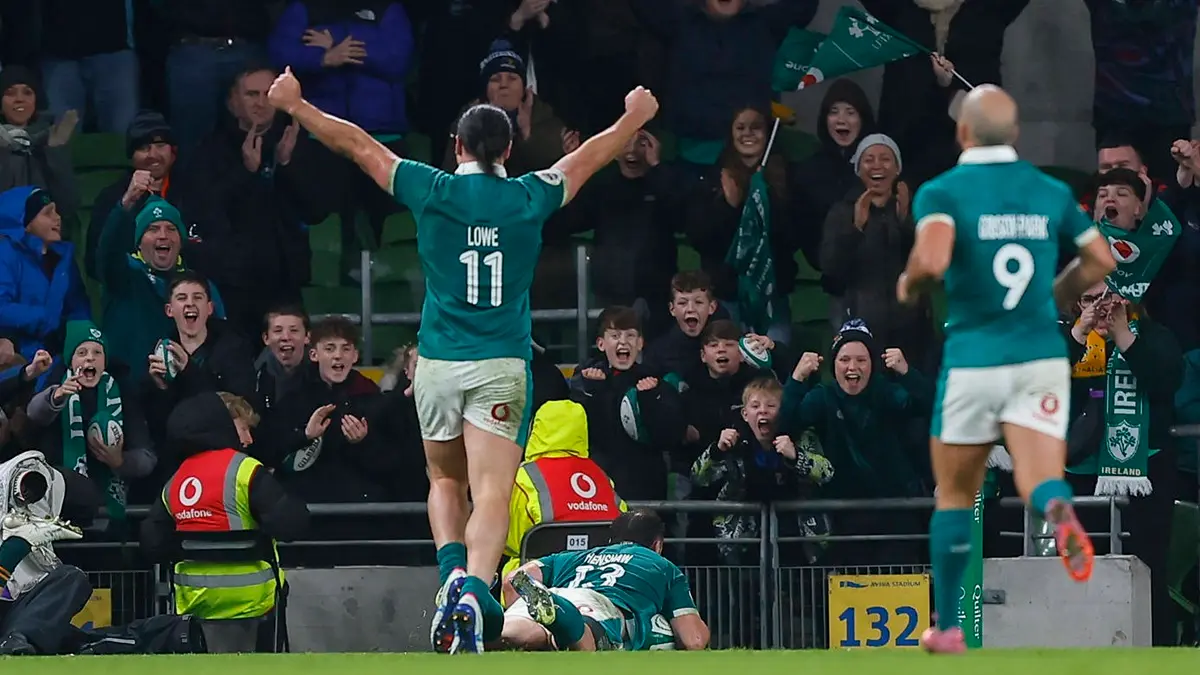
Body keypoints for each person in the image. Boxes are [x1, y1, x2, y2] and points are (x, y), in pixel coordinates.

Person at [264, 66, 660, 654]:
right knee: (493, 491)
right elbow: (591, 158)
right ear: (509, 149)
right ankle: (477, 588)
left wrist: (297, 106)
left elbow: (357, 144)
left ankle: (451, 573)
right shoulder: (532, 193)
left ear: (456, 147)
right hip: (501, 363)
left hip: (440, 365)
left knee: (445, 479)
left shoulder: (433, 188)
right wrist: (635, 117)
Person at [895, 85, 1117, 654]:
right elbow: (1100, 260)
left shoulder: (943, 191)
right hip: (1040, 354)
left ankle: (946, 628)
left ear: (963, 133)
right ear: (1015, 135)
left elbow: (935, 257)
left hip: (974, 358)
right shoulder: (1049, 190)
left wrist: (911, 280)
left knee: (954, 492)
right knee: (1039, 475)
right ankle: (1056, 506)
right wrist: (1053, 294)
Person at [138, 391, 310, 653]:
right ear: (224, 426)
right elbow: (290, 526)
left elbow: (152, 544)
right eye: (244, 429)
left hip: (194, 601)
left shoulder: (176, 480)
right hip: (254, 599)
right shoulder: (246, 470)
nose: (249, 439)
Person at [501, 508, 709, 652]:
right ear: (658, 545)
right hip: (599, 604)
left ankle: (487, 621)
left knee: (510, 634)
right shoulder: (662, 565)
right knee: (585, 643)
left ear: (610, 541)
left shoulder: (575, 556)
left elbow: (513, 581)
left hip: (558, 591)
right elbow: (694, 641)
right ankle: (561, 617)